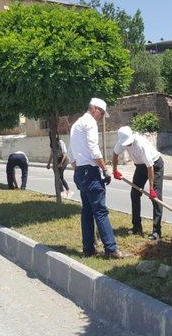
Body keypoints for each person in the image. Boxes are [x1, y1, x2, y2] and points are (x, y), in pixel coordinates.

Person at [68, 98, 128, 259]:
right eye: (101, 113)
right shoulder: (90, 123)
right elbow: (94, 150)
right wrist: (105, 169)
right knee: (100, 211)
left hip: (80, 172)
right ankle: (111, 249)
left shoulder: (75, 125)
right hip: (90, 171)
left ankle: (88, 249)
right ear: (94, 108)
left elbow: (70, 154)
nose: (101, 117)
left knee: (87, 211)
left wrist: (79, 170)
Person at [112, 126, 164, 241]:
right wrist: (114, 170)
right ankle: (137, 226)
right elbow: (115, 154)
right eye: (126, 144)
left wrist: (151, 189)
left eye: (129, 143)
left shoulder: (141, 144)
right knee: (134, 194)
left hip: (155, 165)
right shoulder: (121, 142)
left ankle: (157, 231)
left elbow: (150, 167)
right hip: (140, 167)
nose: (128, 145)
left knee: (156, 197)